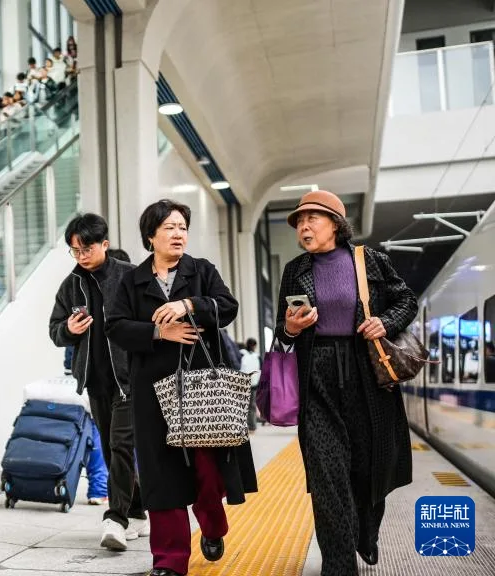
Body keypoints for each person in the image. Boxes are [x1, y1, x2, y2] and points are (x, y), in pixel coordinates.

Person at [106, 200, 257, 576]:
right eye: (170, 228)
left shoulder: (202, 271)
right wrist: (159, 332)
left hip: (201, 387)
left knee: (207, 470)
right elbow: (115, 326)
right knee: (161, 476)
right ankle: (169, 561)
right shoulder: (132, 281)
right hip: (152, 393)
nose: (178, 234)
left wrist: (188, 304)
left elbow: (228, 306)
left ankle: (213, 524)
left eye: (182, 228)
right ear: (150, 236)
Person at [276, 190, 416, 574]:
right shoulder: (294, 269)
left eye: (312, 219)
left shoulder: (370, 260)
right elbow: (282, 330)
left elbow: (407, 301)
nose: (304, 227)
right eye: (299, 222)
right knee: (327, 475)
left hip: (366, 373)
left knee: (369, 469)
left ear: (336, 224)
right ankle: (338, 565)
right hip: (316, 378)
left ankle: (365, 534)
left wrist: (385, 322)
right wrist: (290, 328)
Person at [49, 214, 146, 551]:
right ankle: (137, 509)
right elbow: (54, 330)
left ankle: (115, 519)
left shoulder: (130, 276)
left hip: (129, 379)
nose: (81, 256)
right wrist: (68, 330)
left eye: (86, 249)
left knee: (120, 445)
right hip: (95, 381)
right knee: (109, 447)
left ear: (104, 244)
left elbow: (150, 320)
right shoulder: (70, 285)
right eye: (75, 251)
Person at [239, 338, 262, 431]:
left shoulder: (241, 354)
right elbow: (261, 369)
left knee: (244, 405)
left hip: (243, 383)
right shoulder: (256, 356)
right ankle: (251, 426)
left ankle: (247, 426)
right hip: (253, 384)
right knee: (251, 405)